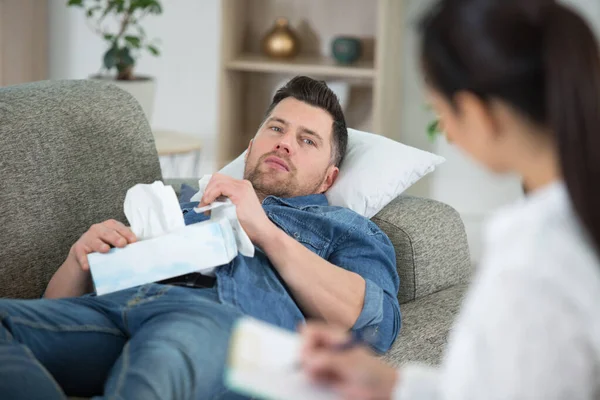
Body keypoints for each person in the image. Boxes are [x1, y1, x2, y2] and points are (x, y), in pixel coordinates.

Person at [0, 76, 401, 399]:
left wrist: (262, 229)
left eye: (307, 140)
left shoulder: (344, 227)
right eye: (276, 128)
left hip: (215, 321)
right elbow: (53, 308)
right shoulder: (184, 200)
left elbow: (374, 325)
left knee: (158, 364)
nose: (284, 142)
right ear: (250, 148)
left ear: (329, 177)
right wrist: (79, 260)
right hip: (119, 307)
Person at [300, 0, 600, 399]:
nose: (446, 130)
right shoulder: (563, 225)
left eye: (439, 109)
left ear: (478, 113)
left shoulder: (536, 260)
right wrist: (391, 383)